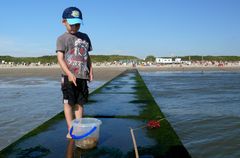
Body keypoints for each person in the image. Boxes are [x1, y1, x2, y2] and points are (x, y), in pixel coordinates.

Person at [56, 7, 93, 139]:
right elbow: (60, 58)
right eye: (72, 24)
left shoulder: (85, 37)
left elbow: (87, 56)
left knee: (80, 103)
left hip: (82, 75)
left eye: (77, 24)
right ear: (64, 22)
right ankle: (70, 128)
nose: (74, 27)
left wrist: (91, 71)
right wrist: (69, 73)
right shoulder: (62, 39)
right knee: (68, 103)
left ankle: (78, 127)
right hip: (68, 77)